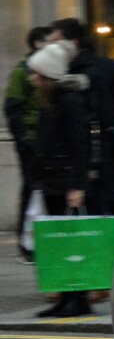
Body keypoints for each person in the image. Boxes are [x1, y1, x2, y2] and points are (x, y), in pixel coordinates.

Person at [46, 17, 114, 226]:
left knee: (103, 207)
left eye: (55, 42)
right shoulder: (102, 67)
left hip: (103, 150)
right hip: (107, 150)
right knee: (108, 208)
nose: (51, 49)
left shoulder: (88, 72)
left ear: (72, 43)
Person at [26, 41, 94, 318]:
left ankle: (79, 299)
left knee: (71, 244)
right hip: (53, 181)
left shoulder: (70, 102)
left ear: (49, 77)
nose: (33, 79)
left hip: (66, 182)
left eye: (37, 75)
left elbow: (81, 145)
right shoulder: (51, 102)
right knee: (59, 244)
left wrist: (77, 185)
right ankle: (66, 298)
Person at [4, 25, 52, 263]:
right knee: (31, 189)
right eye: (47, 42)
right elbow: (12, 108)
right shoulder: (22, 72)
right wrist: (23, 140)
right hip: (31, 142)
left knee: (39, 190)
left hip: (42, 140)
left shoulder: (45, 70)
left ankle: (38, 241)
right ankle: (27, 244)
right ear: (37, 44)